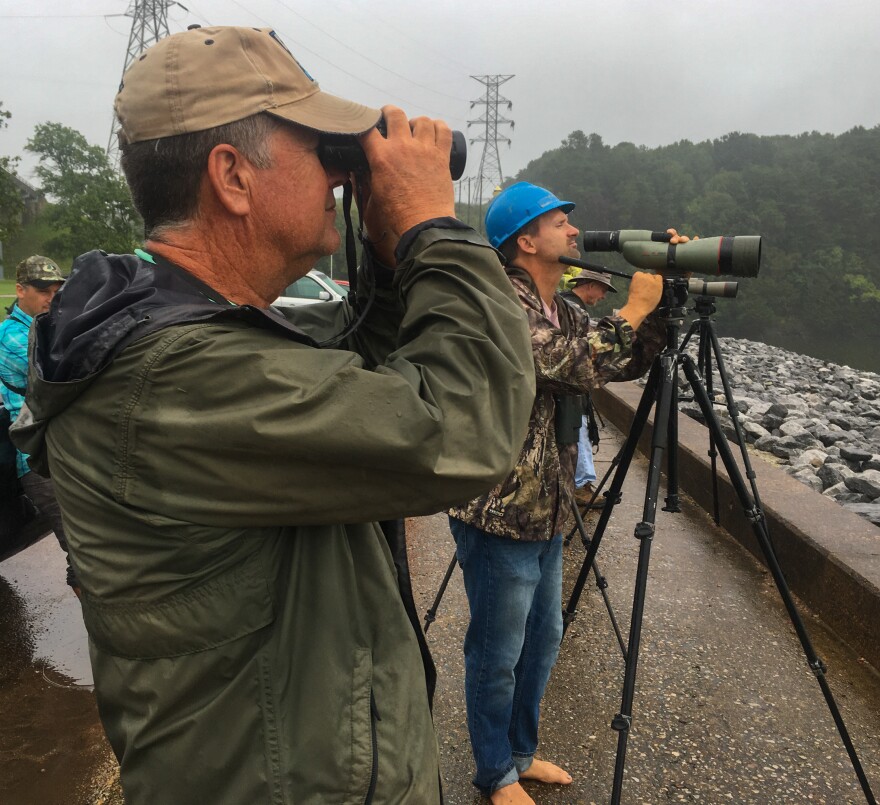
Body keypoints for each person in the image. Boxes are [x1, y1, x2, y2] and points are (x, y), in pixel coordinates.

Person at [10, 26, 537, 804]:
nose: (338, 177)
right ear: (232, 176)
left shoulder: (202, 331)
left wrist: (390, 265)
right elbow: (462, 427)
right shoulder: (175, 378)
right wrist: (433, 228)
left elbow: (354, 373)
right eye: (322, 151)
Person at [448, 181, 683, 804]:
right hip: (498, 510)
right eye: (559, 223)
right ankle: (494, 772)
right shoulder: (498, 301)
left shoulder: (565, 309)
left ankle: (519, 753)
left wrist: (658, 307)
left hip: (546, 509)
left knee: (543, 638)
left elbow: (620, 363)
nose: (574, 232)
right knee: (497, 652)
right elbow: (568, 365)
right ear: (526, 240)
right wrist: (630, 309)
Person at [0, 256, 78, 586]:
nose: (52, 298)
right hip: (37, 460)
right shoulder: (10, 336)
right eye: (44, 290)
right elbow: (65, 372)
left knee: (92, 546)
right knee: (82, 552)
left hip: (64, 449)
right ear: (20, 290)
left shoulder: (47, 327)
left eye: (57, 290)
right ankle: (101, 631)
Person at [561, 269, 618, 507]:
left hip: (566, 387)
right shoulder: (574, 309)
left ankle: (579, 484)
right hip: (570, 389)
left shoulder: (562, 302)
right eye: (603, 289)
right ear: (591, 285)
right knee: (580, 433)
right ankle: (581, 487)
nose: (603, 296)